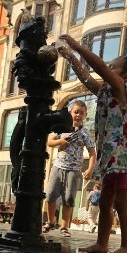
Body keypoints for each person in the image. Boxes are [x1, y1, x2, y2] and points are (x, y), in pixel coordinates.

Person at [57, 34, 127, 253]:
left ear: (125, 75)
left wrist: (78, 47)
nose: (107, 68)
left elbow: (96, 67)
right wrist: (69, 57)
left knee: (121, 203)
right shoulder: (107, 92)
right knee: (105, 202)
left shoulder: (122, 88)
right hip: (112, 159)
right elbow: (87, 78)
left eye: (111, 67)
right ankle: (102, 243)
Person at [42, 100, 96, 238]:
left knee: (69, 199)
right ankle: (50, 221)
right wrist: (60, 141)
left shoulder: (85, 133)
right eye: (76, 112)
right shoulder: (62, 127)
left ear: (85, 115)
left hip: (74, 170)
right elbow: (49, 141)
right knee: (50, 196)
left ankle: (64, 227)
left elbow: (92, 153)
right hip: (58, 166)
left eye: (81, 113)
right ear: (70, 113)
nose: (78, 115)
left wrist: (90, 169)